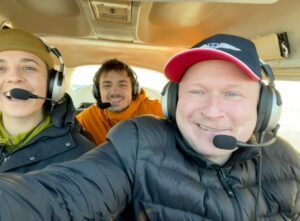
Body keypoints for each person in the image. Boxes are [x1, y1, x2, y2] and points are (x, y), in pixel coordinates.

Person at [0, 33, 299, 221]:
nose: (212, 110)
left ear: (265, 109)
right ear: (174, 101)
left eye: (232, 93)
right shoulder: (139, 143)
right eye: (196, 90)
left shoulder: (288, 162)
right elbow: (59, 196)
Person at [0, 28, 95, 173]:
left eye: (28, 68)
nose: (14, 77)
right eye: (0, 68)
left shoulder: (83, 158)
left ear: (52, 84)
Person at [76, 58, 163, 145]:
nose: (115, 91)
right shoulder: (86, 120)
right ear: (98, 92)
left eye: (122, 85)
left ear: (133, 89)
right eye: (107, 85)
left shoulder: (158, 110)